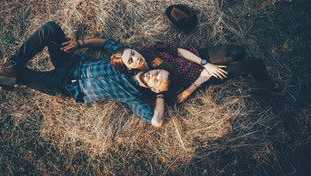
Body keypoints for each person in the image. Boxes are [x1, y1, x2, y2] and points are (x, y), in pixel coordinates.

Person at [0, 21, 171, 127]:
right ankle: (9, 66)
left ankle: (4, 76)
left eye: (158, 81)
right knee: (50, 29)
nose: (154, 76)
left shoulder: (133, 97)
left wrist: (159, 95)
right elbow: (105, 44)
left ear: (154, 89)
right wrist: (80, 43)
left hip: (66, 87)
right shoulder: (129, 60)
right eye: (157, 73)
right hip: (72, 63)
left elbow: (156, 121)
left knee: (23, 77)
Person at [110, 43, 278, 104]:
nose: (136, 57)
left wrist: (206, 62)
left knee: (237, 52)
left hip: (199, 57)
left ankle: (236, 68)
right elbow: (175, 99)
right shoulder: (148, 83)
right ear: (129, 68)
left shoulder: (148, 50)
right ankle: (267, 84)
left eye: (132, 52)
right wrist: (201, 79)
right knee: (255, 64)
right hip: (203, 76)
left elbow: (178, 51)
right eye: (130, 61)